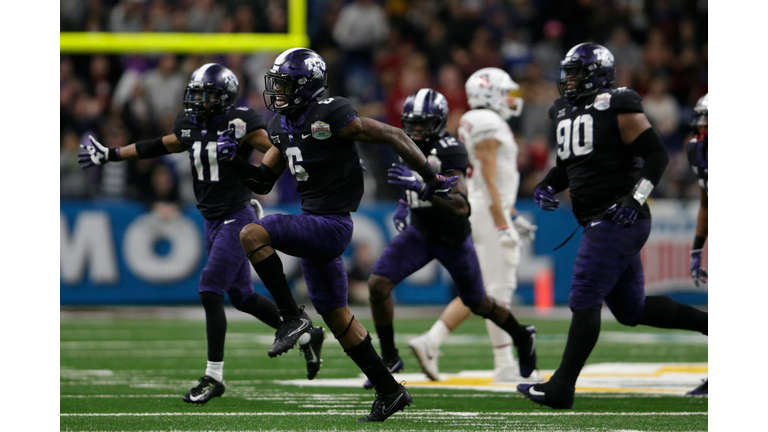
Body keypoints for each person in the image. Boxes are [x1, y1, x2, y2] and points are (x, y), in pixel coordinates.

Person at [78, 63, 326, 405]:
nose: (198, 100)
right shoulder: (189, 123)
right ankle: (307, 336)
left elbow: (279, 147)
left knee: (210, 288)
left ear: (223, 98)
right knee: (241, 297)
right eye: (195, 93)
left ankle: (214, 376)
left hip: (237, 215)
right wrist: (112, 154)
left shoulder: (240, 122)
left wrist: (313, 161)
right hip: (211, 218)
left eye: (206, 94)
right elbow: (160, 145)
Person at [233, 48, 458, 422]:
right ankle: (390, 391)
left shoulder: (331, 113)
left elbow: (392, 133)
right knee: (338, 317)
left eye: (286, 85)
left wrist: (431, 178)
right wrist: (235, 159)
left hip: (332, 223)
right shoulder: (280, 125)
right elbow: (261, 179)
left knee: (253, 233)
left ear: (308, 86)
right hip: (314, 225)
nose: (278, 92)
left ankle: (290, 317)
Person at [517, 43, 708, 409]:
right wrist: (547, 184)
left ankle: (561, 388)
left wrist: (635, 197)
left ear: (597, 74)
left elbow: (656, 154)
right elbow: (568, 164)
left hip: (618, 217)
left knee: (584, 297)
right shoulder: (562, 111)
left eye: (576, 73)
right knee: (631, 309)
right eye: (567, 73)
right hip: (598, 219)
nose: (568, 80)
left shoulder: (618, 103)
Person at [364, 88, 538, 390]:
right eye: (412, 123)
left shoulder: (450, 149)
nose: (416, 130)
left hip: (452, 237)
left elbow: (461, 206)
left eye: (423, 124)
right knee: (377, 285)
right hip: (419, 232)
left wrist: (421, 189)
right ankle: (390, 357)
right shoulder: (402, 140)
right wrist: (406, 204)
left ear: (440, 122)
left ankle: (523, 336)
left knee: (479, 302)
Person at [408, 69, 540, 384]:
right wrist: (502, 222)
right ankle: (505, 364)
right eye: (505, 92)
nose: (511, 98)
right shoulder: (489, 123)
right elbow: (488, 177)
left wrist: (510, 212)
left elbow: (486, 178)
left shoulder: (474, 120)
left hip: (483, 210)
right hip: (487, 213)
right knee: (500, 292)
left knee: (479, 291)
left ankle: (432, 341)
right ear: (490, 93)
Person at [684, 93, 708, 397]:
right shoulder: (696, 150)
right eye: (701, 117)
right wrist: (697, 248)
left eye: (708, 118)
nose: (702, 124)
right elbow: (707, 201)